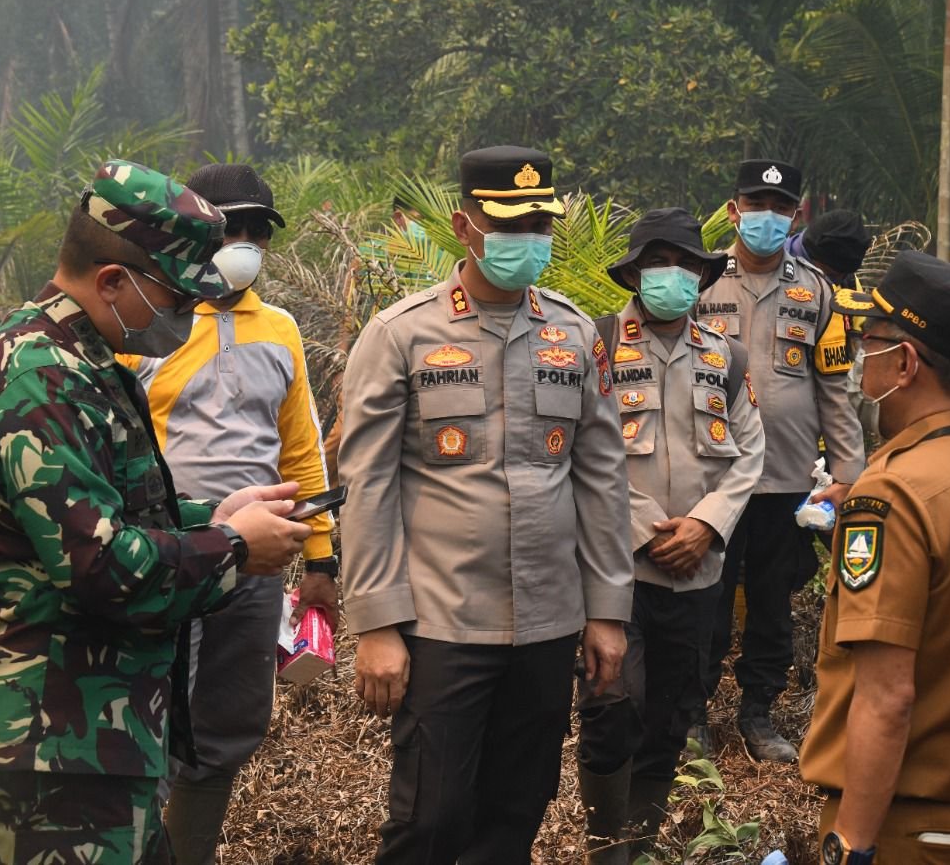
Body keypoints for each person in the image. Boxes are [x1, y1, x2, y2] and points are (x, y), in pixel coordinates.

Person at [0, 161, 313, 865]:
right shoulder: (40, 380)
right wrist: (233, 548)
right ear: (113, 281)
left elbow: (113, 508)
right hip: (57, 729)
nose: (185, 318)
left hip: (99, 724)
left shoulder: (84, 364)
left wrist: (211, 515)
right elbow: (100, 565)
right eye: (176, 299)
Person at [338, 146, 632, 864]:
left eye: (539, 225)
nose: (526, 240)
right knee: (430, 819)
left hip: (548, 622)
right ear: (464, 226)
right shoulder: (401, 334)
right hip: (444, 621)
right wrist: (376, 624)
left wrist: (607, 612)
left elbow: (601, 476)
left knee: (515, 814)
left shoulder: (573, 333)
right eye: (508, 225)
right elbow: (368, 483)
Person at [118, 163, 333, 865]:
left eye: (255, 232)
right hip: (167, 554)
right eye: (228, 229)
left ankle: (191, 850)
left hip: (261, 559)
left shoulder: (281, 329)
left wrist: (322, 558)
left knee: (230, 719)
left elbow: (300, 450)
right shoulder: (151, 326)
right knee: (153, 712)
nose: (243, 244)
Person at [800, 249, 950, 865]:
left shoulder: (892, 494)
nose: (860, 360)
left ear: (905, 363)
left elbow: (887, 698)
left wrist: (850, 845)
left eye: (869, 342)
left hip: (904, 830)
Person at [576, 208, 767, 863]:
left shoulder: (727, 357)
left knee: (670, 717)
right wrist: (646, 530)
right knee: (611, 707)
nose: (673, 275)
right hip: (617, 570)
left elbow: (750, 451)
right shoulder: (595, 344)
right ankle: (606, 850)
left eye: (686, 264)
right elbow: (580, 448)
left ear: (704, 277)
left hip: (697, 572)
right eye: (658, 263)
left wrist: (706, 524)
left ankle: (639, 848)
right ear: (633, 273)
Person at [687, 158, 867, 762]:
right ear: (734, 210)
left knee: (771, 602)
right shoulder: (700, 280)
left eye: (781, 208)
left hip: (787, 476)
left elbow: (835, 390)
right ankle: (693, 714)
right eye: (756, 205)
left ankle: (758, 714)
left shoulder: (817, 292)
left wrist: (848, 475)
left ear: (795, 216)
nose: (767, 216)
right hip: (713, 473)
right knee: (707, 598)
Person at [788, 208, 872, 287]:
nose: (836, 283)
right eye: (831, 275)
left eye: (844, 275)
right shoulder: (782, 265)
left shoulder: (849, 284)